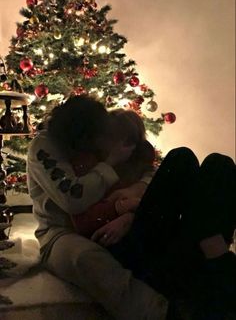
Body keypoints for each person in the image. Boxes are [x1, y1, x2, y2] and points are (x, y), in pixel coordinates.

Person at [27, 95, 168, 320]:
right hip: (58, 233)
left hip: (113, 216)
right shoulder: (44, 146)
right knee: (86, 258)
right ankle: (159, 313)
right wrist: (109, 163)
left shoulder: (102, 142)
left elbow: (147, 167)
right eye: (96, 136)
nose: (99, 141)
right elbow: (73, 199)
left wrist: (136, 189)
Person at [92, 147, 236, 319]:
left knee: (191, 159)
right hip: (196, 261)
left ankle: (212, 253)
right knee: (211, 162)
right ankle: (212, 250)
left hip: (174, 270)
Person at [71, 109, 156, 238]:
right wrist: (119, 207)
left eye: (131, 141)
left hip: (144, 224)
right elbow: (82, 221)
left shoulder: (140, 165)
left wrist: (130, 216)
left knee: (181, 156)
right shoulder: (89, 164)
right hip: (112, 235)